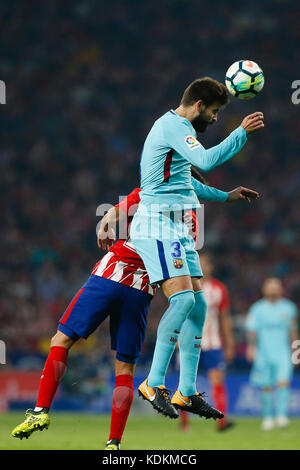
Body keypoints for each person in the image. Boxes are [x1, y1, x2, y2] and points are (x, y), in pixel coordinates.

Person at [11, 172, 257, 449]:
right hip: (142, 291)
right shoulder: (192, 222)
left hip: (112, 272)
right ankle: (114, 442)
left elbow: (114, 214)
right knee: (125, 368)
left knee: (62, 340)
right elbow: (181, 271)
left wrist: (104, 224)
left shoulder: (151, 191)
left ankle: (41, 411)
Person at [130, 76, 264, 419]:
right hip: (157, 223)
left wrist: (226, 195)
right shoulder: (173, 126)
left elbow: (187, 182)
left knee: (199, 306)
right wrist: (241, 134)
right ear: (200, 106)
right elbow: (204, 162)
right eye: (216, 111)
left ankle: (186, 392)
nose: (216, 118)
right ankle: (154, 382)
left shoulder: (174, 134)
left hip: (175, 227)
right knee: (183, 299)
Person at [179, 252, 235, 432]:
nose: (201, 267)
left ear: (211, 267)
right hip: (188, 342)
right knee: (186, 383)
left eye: (205, 264)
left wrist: (230, 343)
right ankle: (184, 424)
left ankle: (221, 422)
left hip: (212, 343)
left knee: (217, 379)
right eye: (198, 263)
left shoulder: (219, 289)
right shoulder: (183, 287)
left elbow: (224, 318)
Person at [245, 277, 298, 430]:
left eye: (276, 286)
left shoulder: (289, 308)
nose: (273, 289)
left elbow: (293, 331)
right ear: (264, 289)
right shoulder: (256, 309)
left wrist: (297, 351)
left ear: (281, 289)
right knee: (266, 385)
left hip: (283, 352)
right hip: (263, 352)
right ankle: (268, 417)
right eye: (270, 286)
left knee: (283, 383)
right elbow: (251, 331)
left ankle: (281, 416)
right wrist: (251, 347)